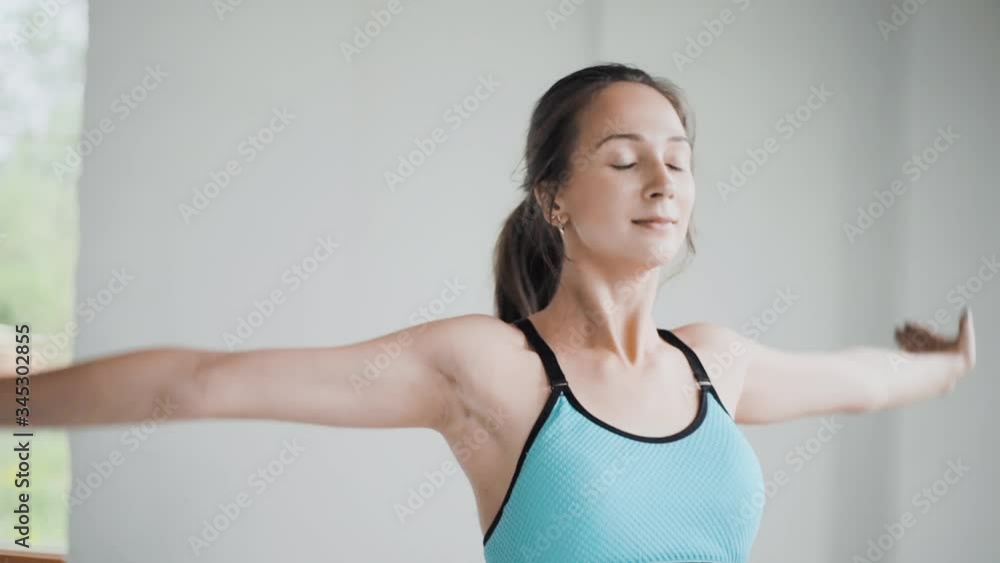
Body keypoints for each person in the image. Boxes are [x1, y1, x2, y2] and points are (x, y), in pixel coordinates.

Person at [3, 63, 977, 562]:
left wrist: (946, 363)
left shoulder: (714, 362)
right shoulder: (492, 369)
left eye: (679, 159)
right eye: (624, 157)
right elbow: (201, 383)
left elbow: (861, 381)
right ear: (553, 198)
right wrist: (11, 399)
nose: (663, 179)